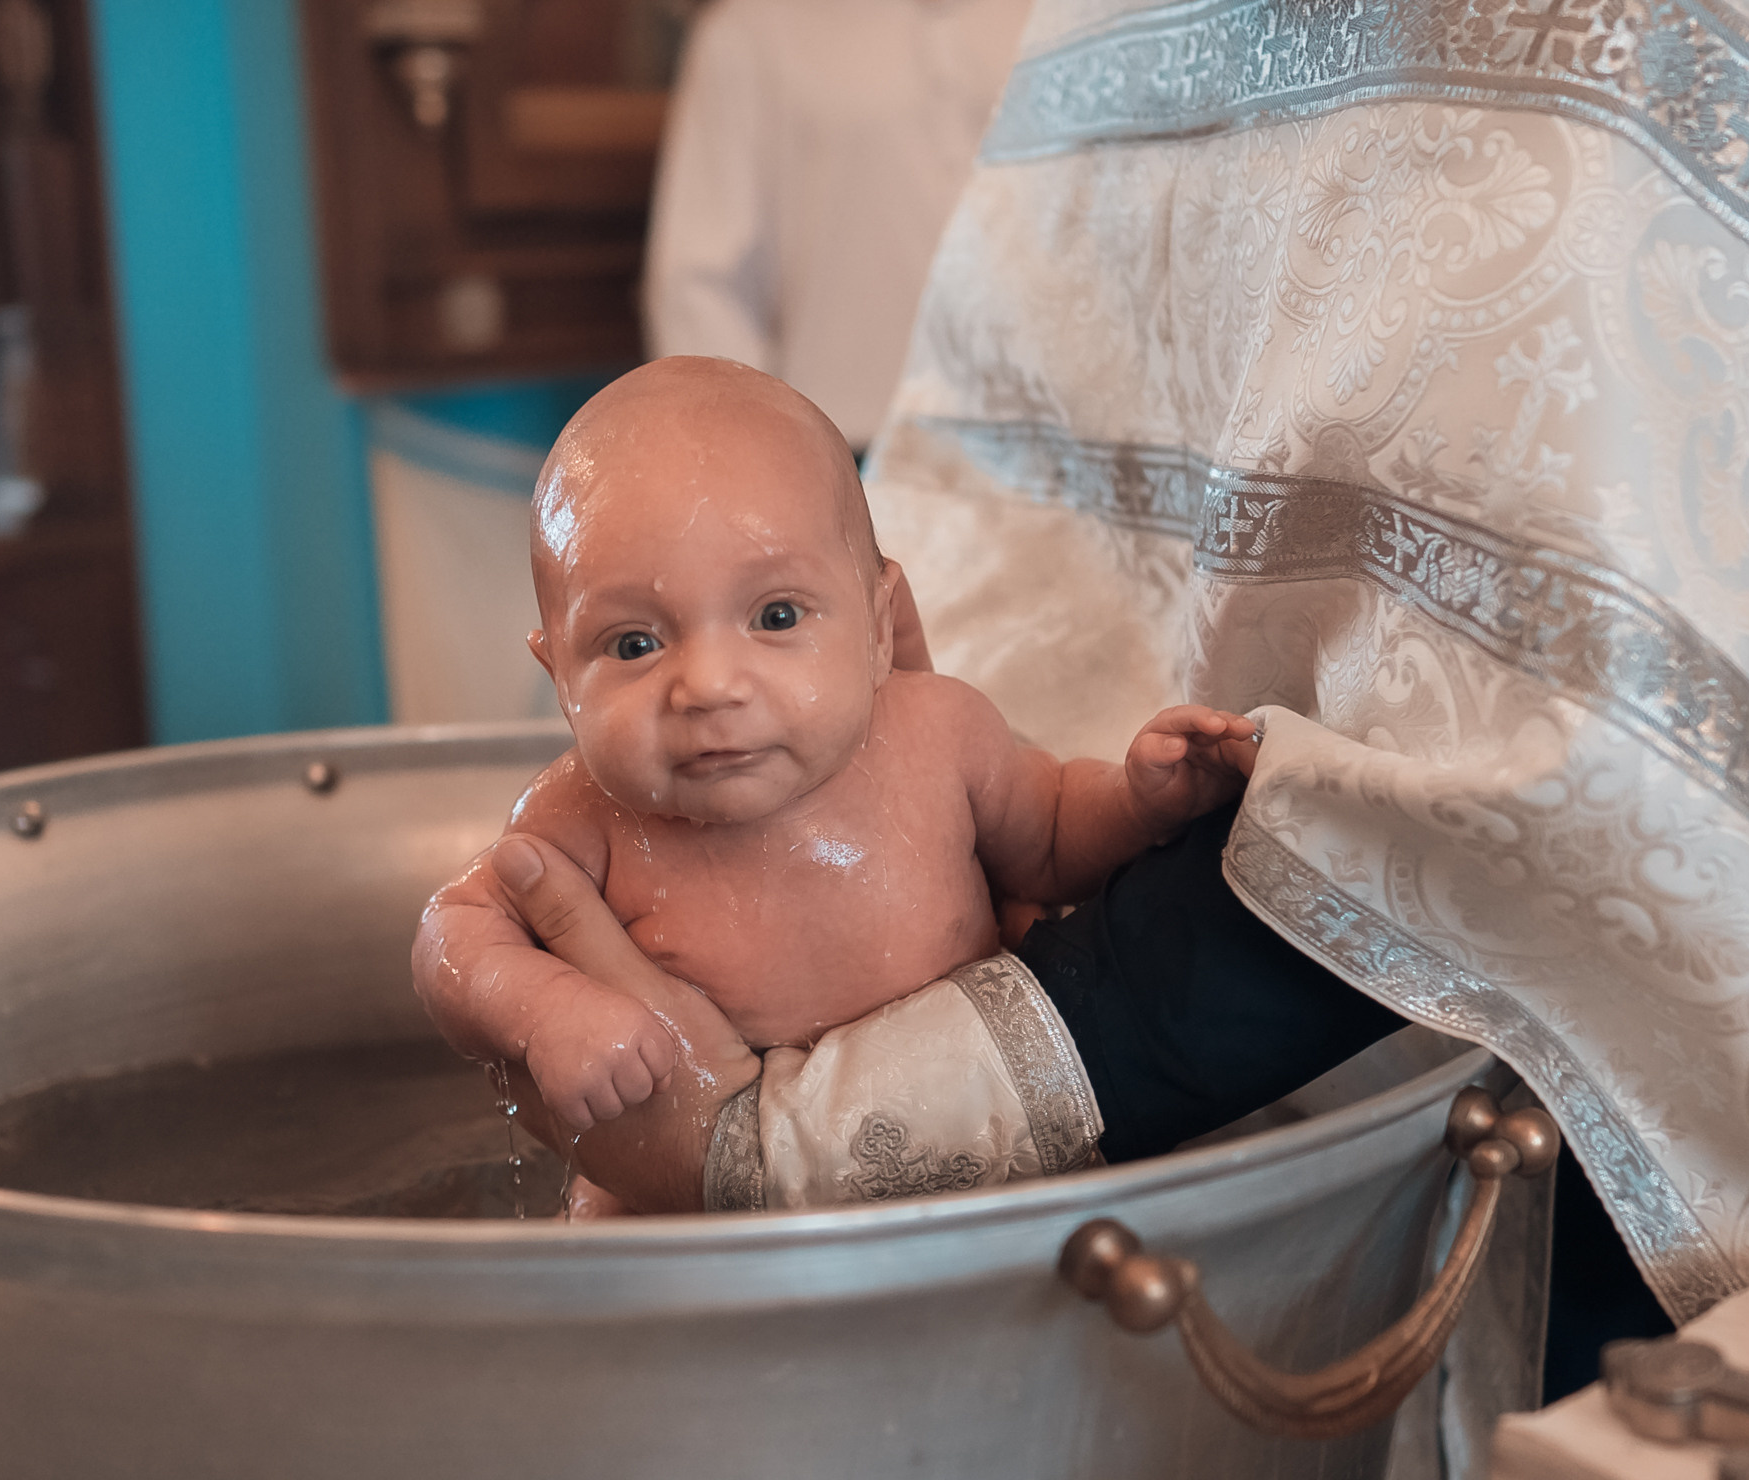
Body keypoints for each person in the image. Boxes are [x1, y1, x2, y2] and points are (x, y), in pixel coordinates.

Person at [413, 357, 1403, 1212]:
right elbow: (453, 936)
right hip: (662, 1205)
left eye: (776, 616)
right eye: (633, 642)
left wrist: (1142, 803)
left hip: (974, 1164)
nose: (708, 685)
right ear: (559, 676)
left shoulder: (939, 735)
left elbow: (1051, 836)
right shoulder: (580, 817)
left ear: (882, 622)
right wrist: (545, 1010)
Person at [643, 0, 1033, 453]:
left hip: (1050, 452)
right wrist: (750, 455)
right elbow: (699, 286)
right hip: (845, 448)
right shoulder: (751, 30)